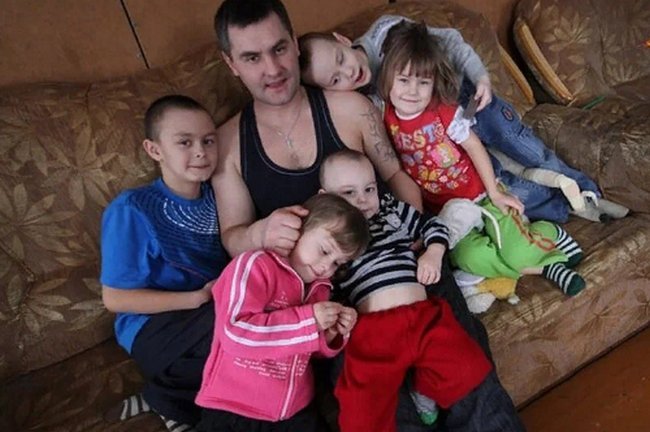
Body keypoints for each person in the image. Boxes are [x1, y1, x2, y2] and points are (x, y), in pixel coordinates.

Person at [212, 1, 523, 430]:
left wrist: (416, 241)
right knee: (378, 416)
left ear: (294, 43)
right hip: (330, 293)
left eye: (279, 49)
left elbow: (398, 178)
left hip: (400, 257)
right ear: (231, 63)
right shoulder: (228, 144)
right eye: (251, 57)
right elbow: (232, 236)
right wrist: (260, 232)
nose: (272, 68)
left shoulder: (349, 108)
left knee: (474, 384)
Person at [297, 16, 621, 224]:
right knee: (499, 179)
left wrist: (481, 78)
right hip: (443, 138)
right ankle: (565, 206)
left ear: (342, 40)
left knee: (526, 148)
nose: (348, 73)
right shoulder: (369, 101)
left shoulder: (387, 32)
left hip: (469, 99)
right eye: (335, 80)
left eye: (340, 59)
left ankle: (587, 191)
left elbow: (450, 41)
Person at [378, 21, 586, 296]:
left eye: (423, 82)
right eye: (404, 80)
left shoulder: (444, 112)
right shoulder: (383, 113)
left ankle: (550, 233)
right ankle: (545, 267)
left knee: (518, 252)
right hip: (447, 212)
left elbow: (475, 146)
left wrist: (495, 193)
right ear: (388, 78)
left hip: (481, 193)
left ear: (433, 84)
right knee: (469, 258)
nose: (412, 91)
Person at [319, 149, 497, 431]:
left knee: (469, 367)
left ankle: (425, 386)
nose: (362, 200)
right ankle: (418, 387)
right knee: (361, 410)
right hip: (373, 329)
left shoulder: (391, 211)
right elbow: (319, 277)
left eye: (369, 189)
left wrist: (434, 253)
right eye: (348, 193)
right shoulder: (329, 237)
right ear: (325, 198)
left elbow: (433, 225)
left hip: (422, 316)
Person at [100, 95, 229, 431]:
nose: (200, 152)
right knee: (232, 331)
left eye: (208, 141)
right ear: (154, 150)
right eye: (185, 142)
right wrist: (195, 298)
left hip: (211, 309)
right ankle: (171, 401)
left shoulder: (222, 195)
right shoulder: (132, 209)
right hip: (153, 325)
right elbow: (115, 298)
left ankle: (165, 397)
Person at [195, 193, 370, 432]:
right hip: (234, 407)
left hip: (294, 411)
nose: (326, 268)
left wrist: (330, 333)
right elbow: (235, 333)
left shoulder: (321, 288)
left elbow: (305, 348)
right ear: (298, 229)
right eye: (324, 251)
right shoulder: (255, 264)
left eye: (338, 263)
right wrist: (309, 321)